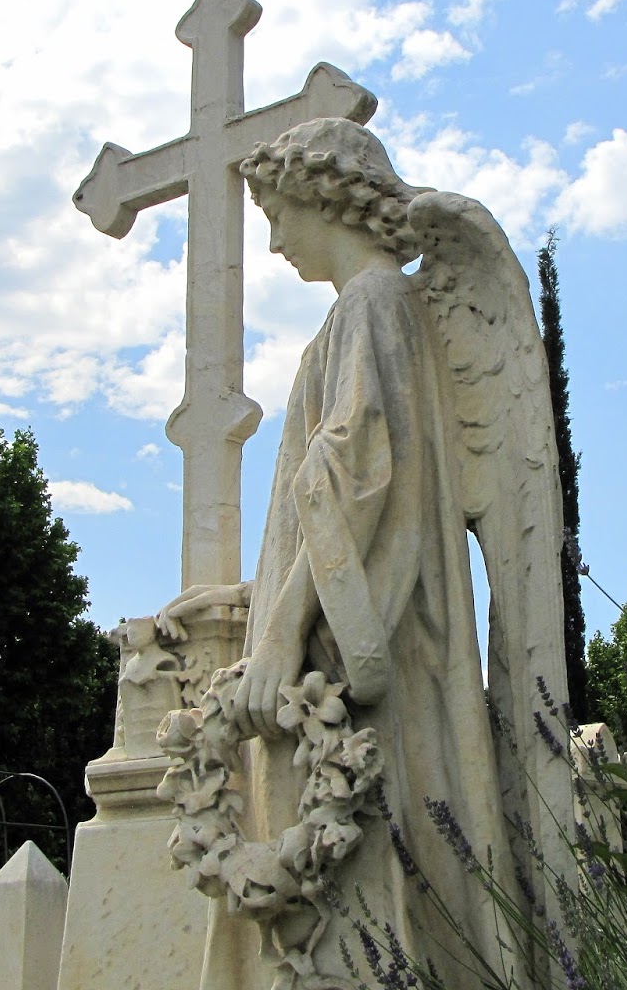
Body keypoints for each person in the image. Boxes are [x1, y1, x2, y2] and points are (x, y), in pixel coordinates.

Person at [160, 117, 564, 990]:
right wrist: (258, 599)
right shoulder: (375, 313)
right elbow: (331, 497)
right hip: (354, 630)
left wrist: (278, 634)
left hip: (362, 648)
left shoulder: (374, 304)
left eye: (276, 213)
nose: (270, 240)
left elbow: (352, 487)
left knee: (381, 869)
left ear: (322, 196)